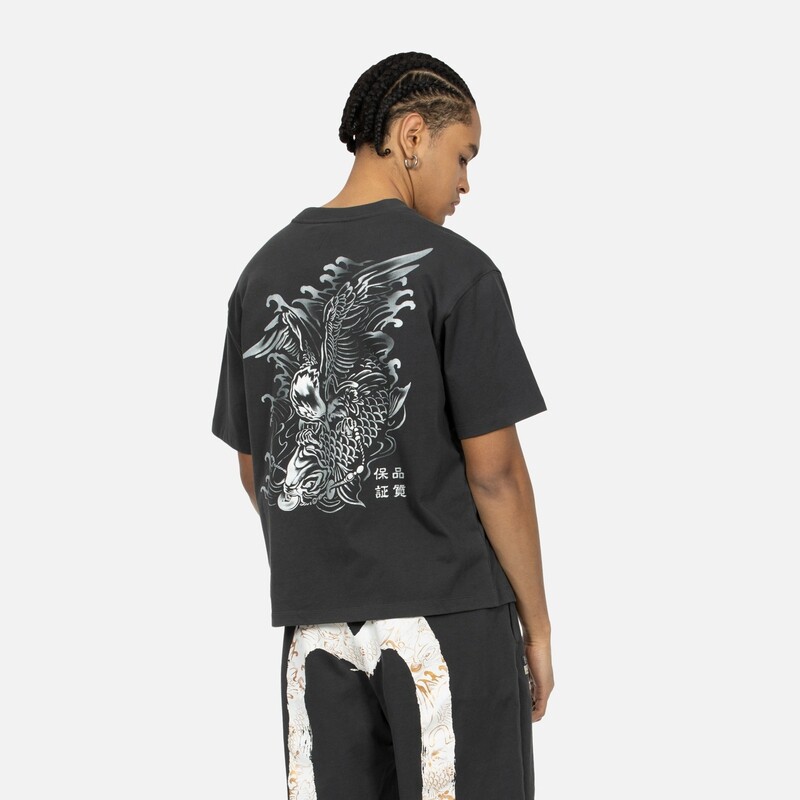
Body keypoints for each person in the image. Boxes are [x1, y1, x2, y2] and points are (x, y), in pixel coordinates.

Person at [211, 51, 554, 799]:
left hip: (315, 633)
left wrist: (334, 550)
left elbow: (255, 465)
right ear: (411, 136)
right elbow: (496, 473)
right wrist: (537, 626)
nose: (465, 183)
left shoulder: (260, 276)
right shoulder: (457, 271)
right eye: (463, 156)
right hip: (451, 618)